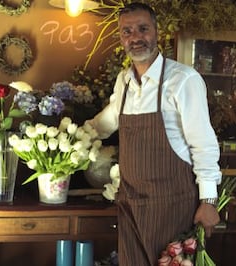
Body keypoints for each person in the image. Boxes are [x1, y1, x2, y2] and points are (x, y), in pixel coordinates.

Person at [86, 2, 222, 265]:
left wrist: (208, 200)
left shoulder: (183, 79)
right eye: (127, 31)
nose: (135, 37)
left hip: (173, 208)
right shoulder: (124, 81)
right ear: (121, 38)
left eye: (142, 29)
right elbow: (108, 120)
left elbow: (203, 144)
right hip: (131, 207)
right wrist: (72, 138)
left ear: (157, 32)